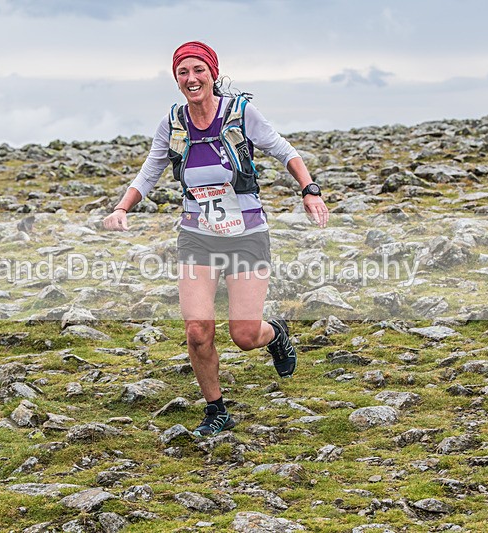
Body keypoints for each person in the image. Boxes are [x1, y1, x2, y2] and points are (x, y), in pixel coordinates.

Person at [103, 41, 328, 437]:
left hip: (246, 234)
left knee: (244, 335)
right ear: (176, 79)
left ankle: (275, 333)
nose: (191, 79)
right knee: (197, 330)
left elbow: (285, 151)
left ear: (212, 73)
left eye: (198, 70)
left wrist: (310, 190)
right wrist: (122, 208)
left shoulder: (241, 113)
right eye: (183, 72)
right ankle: (216, 409)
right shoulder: (173, 123)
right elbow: (149, 171)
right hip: (197, 236)